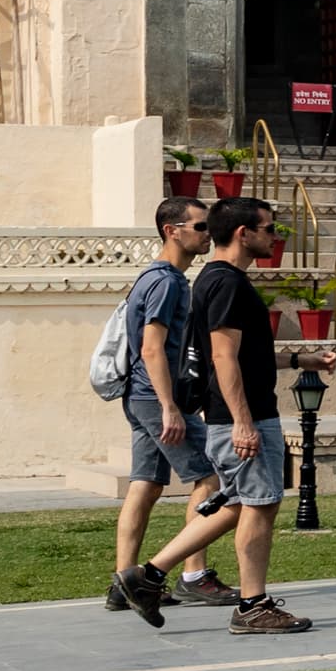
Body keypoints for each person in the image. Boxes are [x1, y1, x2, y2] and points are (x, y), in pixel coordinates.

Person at [111, 195, 316, 634]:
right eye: (269, 229)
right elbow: (223, 358)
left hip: (234, 414)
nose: (275, 238)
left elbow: (239, 355)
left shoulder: (212, 280)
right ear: (245, 233)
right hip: (243, 416)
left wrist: (301, 361)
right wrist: (242, 420)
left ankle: (145, 576)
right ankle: (252, 606)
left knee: (237, 504)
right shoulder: (226, 283)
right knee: (260, 505)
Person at [108, 193, 233, 612]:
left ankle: (124, 582)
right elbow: (152, 349)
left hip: (139, 396)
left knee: (146, 484)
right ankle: (194, 574)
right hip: (153, 396)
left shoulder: (152, 278)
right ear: (171, 231)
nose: (206, 235)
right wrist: (169, 406)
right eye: (199, 227)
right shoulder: (166, 282)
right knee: (213, 476)